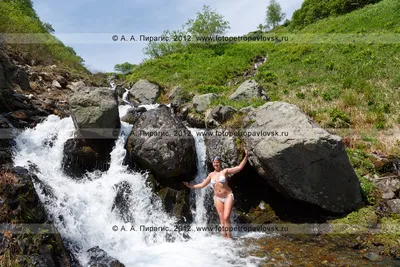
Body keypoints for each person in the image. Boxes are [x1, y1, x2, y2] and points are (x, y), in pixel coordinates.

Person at [183, 148, 249, 238]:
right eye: (214, 162)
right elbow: (202, 185)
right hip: (217, 198)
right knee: (221, 219)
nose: (215, 164)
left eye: (217, 162)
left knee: (226, 217)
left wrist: (246, 156)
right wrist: (190, 186)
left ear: (220, 163)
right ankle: (223, 238)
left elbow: (239, 168)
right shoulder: (211, 175)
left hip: (228, 196)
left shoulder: (225, 171)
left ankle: (229, 238)